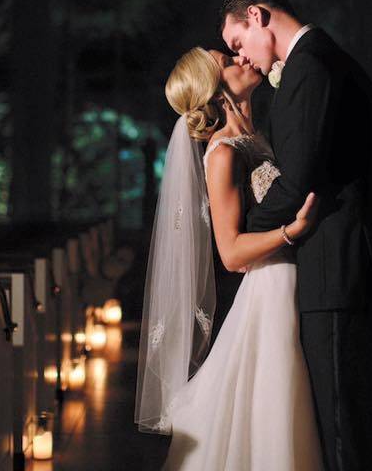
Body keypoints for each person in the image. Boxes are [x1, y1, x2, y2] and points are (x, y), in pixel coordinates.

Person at [221, 0, 372, 471]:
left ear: (259, 16)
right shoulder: (323, 60)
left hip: (344, 275)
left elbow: (298, 183)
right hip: (353, 272)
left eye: (237, 42)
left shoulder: (310, 68)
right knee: (355, 431)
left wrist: (242, 237)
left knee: (345, 436)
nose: (242, 58)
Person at [135, 47, 324, 470]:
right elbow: (232, 254)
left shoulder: (255, 137)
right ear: (216, 89)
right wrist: (291, 231)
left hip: (292, 281)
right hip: (271, 289)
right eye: (229, 62)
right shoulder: (223, 154)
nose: (244, 60)